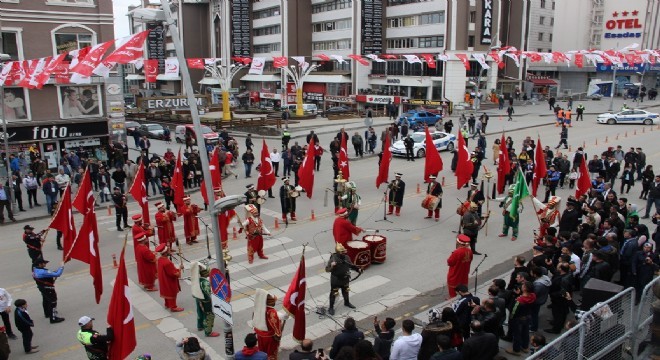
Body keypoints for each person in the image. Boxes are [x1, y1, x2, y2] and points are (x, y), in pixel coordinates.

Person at [325, 243, 361, 315]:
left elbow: (351, 265)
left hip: (345, 278)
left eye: (344, 251)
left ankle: (346, 302)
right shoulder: (333, 259)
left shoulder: (346, 257)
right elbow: (327, 270)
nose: (344, 252)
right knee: (334, 293)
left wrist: (358, 269)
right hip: (336, 279)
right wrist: (332, 266)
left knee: (345, 290)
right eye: (342, 252)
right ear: (338, 252)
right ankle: (331, 307)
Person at [506, 281, 536, 356]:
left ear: (525, 289)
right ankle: (525, 346)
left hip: (518, 319)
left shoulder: (519, 301)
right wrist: (519, 294)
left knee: (517, 334)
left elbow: (513, 311)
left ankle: (516, 350)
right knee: (525, 332)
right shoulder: (533, 296)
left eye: (523, 286)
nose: (521, 286)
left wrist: (511, 319)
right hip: (528, 316)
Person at [252, 289, 284, 360]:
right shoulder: (271, 311)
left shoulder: (259, 308)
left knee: (262, 350)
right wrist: (278, 334)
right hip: (270, 337)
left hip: (260, 334)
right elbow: (275, 324)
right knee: (271, 352)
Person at [190, 262, 219, 338]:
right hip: (206, 301)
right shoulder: (205, 283)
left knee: (200, 312)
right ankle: (208, 331)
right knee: (209, 315)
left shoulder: (198, 280)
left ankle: (200, 326)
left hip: (198, 299)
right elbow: (209, 293)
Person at [32, 259, 65, 323]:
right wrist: (62, 267)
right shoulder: (42, 272)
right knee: (53, 301)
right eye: (44, 263)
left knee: (46, 300)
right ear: (40, 264)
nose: (45, 264)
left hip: (42, 287)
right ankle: (53, 318)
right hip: (48, 288)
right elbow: (58, 274)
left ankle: (47, 313)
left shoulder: (35, 269)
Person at [156, 244, 184, 312]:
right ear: (165, 252)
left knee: (166, 291)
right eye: (168, 250)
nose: (170, 251)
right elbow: (174, 274)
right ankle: (173, 306)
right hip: (169, 280)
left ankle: (167, 304)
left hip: (163, 279)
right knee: (171, 291)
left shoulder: (160, 259)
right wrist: (180, 269)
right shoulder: (167, 262)